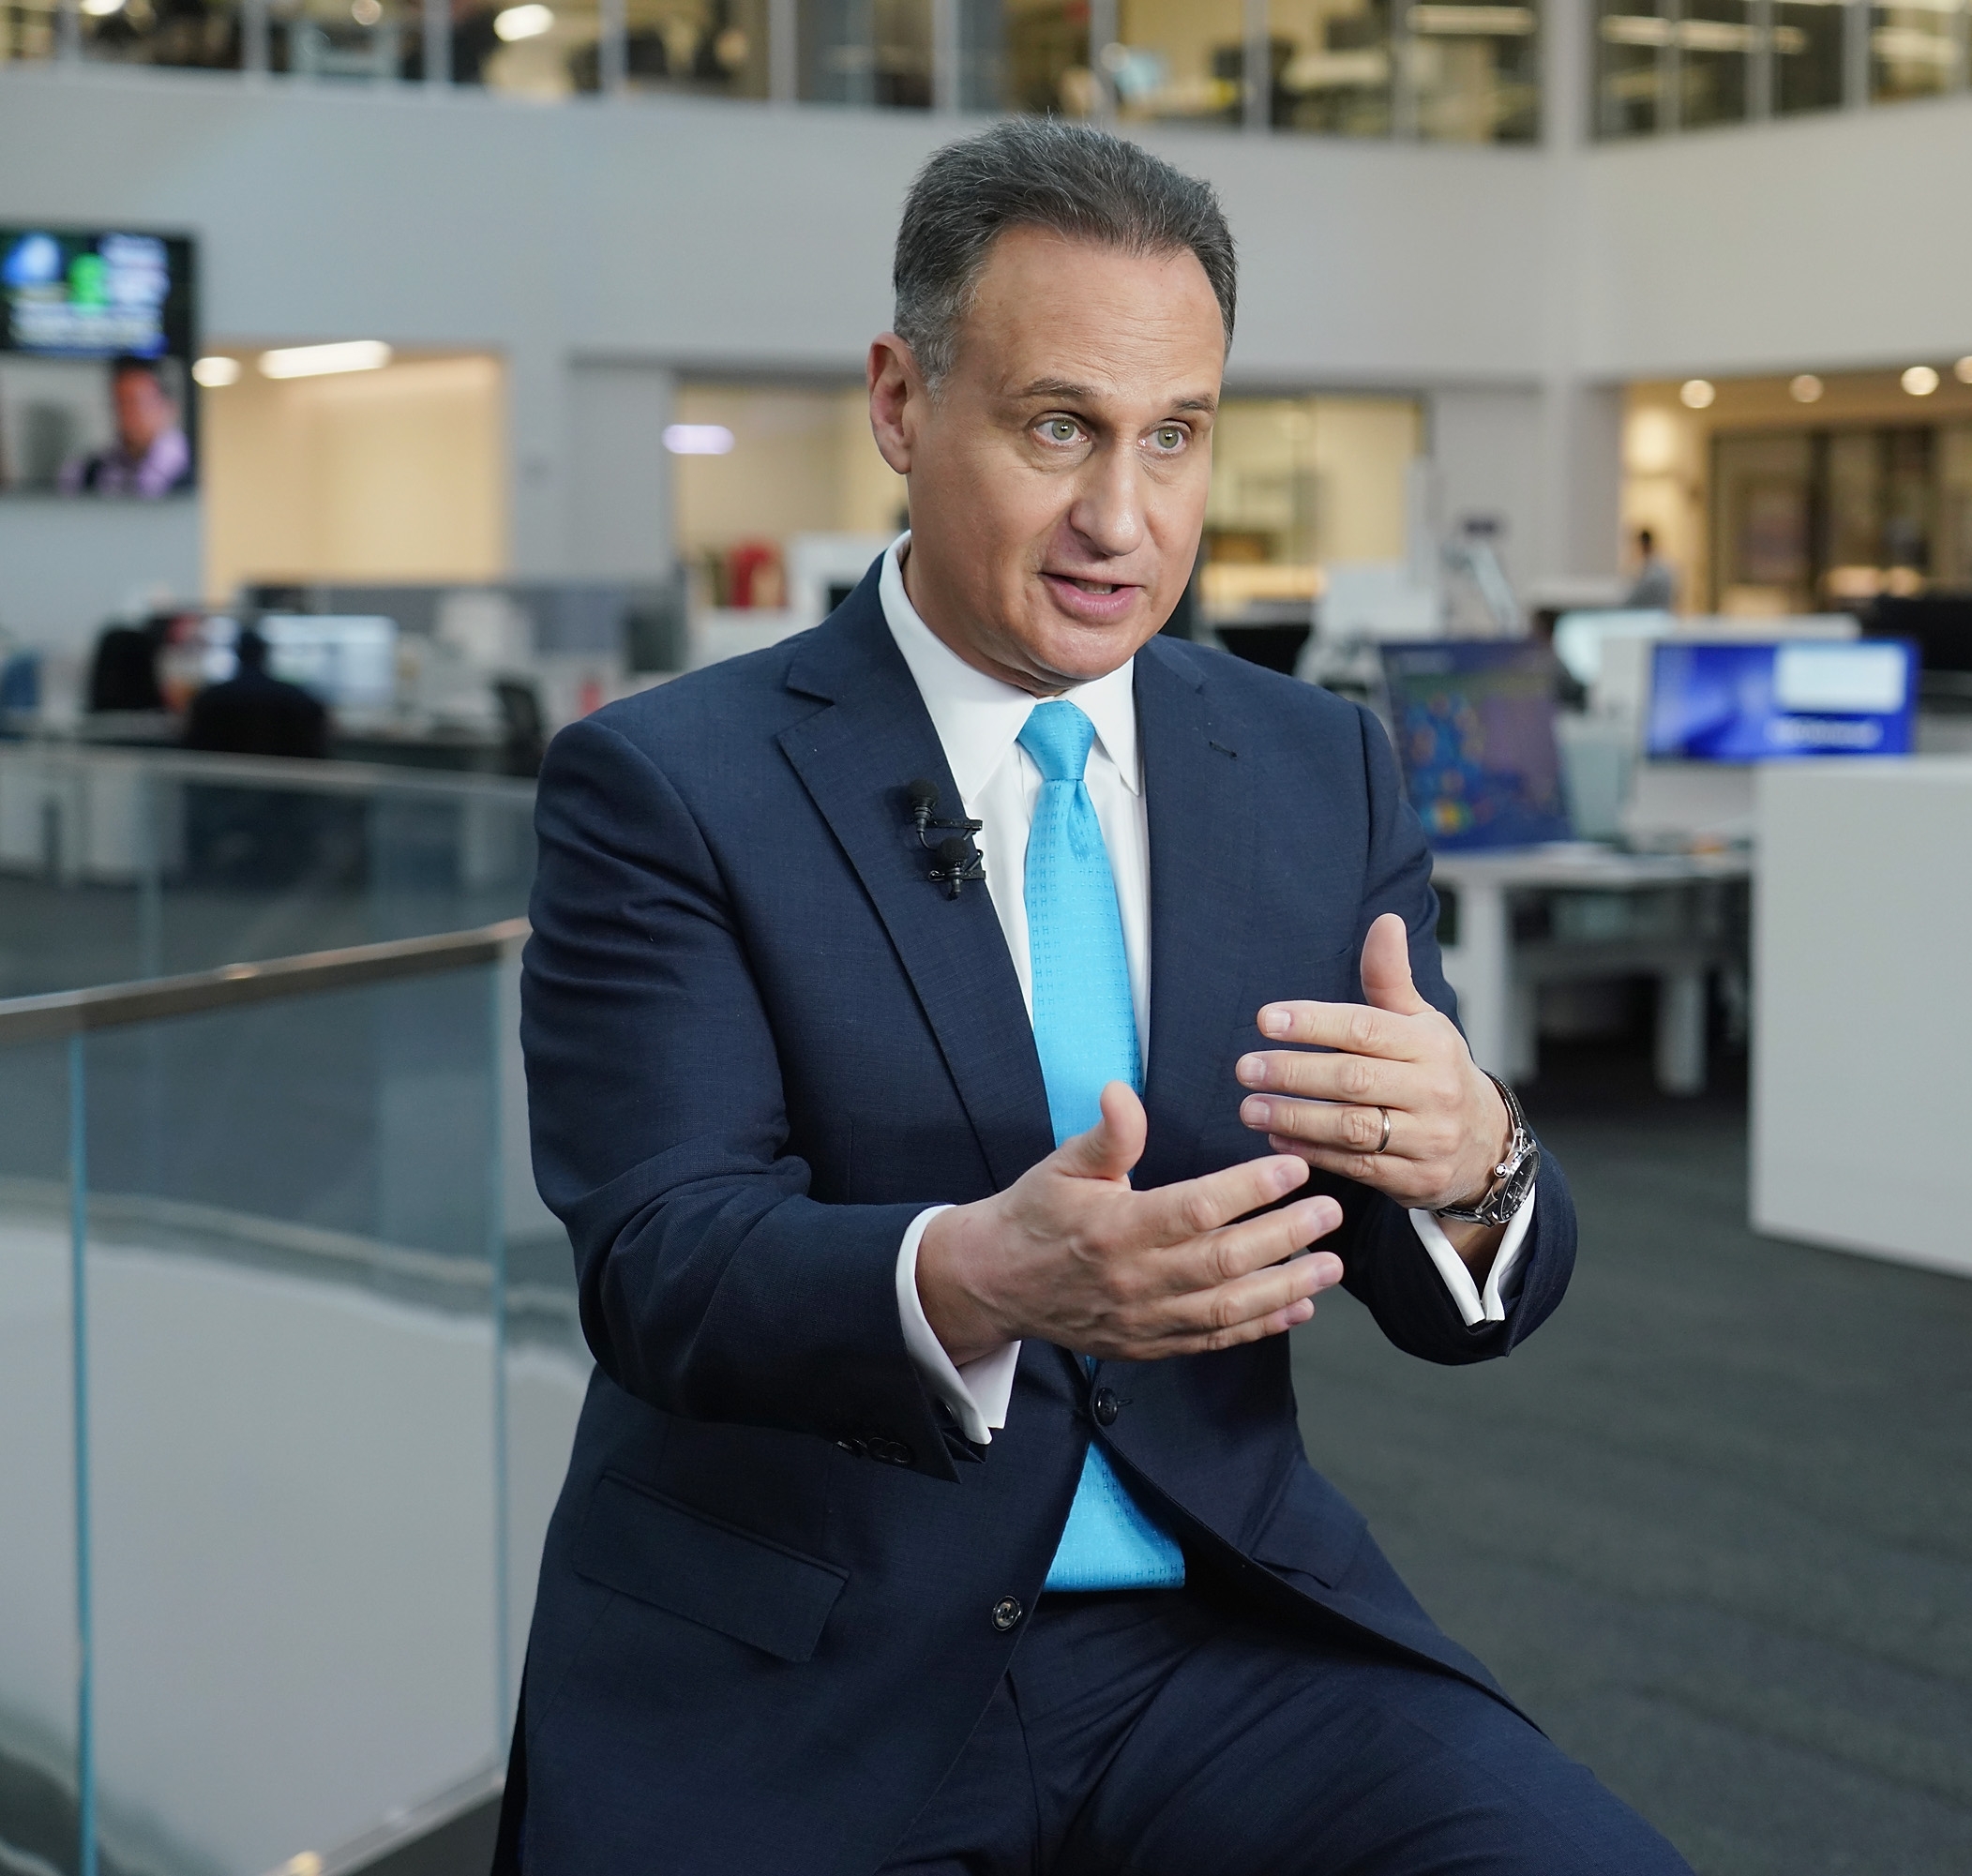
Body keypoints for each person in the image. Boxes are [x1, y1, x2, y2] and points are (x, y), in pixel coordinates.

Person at [500, 122, 1688, 1875]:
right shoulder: (670, 784)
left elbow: (1466, 1303)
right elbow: (663, 1265)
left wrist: (1473, 1158)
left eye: (1175, 436)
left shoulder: (1313, 766)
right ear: (903, 403)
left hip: (1218, 1637)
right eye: (1058, 426)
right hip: (808, 1667)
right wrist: (977, 1273)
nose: (1122, 520)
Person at [58, 356, 193, 497]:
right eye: (120, 402)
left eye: (136, 403)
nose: (126, 413)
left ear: (169, 408)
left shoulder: (196, 470)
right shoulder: (87, 472)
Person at [183, 627, 328, 758]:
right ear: (264, 654)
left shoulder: (210, 697)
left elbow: (194, 746)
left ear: (237, 654)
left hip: (221, 780)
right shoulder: (296, 697)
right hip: (284, 782)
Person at [1625, 524, 1677, 609]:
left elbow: (1634, 599)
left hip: (1653, 614)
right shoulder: (1664, 567)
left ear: (1643, 545)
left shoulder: (1655, 572)